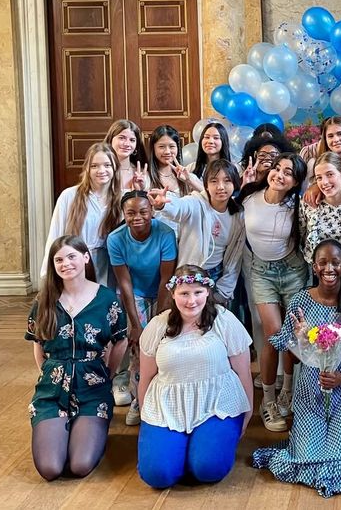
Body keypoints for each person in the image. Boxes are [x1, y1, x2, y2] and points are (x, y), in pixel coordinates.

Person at [253, 240, 341, 497]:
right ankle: (317, 442)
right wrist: (300, 341)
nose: (329, 268)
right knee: (305, 457)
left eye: (335, 263)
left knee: (337, 460)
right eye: (323, 263)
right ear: (314, 267)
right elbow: (294, 359)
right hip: (310, 395)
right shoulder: (300, 303)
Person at [137, 265, 253, 488]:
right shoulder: (157, 326)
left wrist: (247, 414)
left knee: (208, 468)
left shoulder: (224, 320)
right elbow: (146, 377)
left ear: (208, 292)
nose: (191, 301)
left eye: (198, 292)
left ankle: (197, 452)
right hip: (168, 405)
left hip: (217, 403)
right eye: (184, 294)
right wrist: (146, 417)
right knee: (157, 475)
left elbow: (243, 372)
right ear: (173, 294)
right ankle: (179, 454)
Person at [26, 235, 127, 481]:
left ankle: (88, 428)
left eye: (72, 257)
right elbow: (38, 343)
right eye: (59, 260)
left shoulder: (106, 299)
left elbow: (121, 340)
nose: (66, 264)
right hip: (52, 389)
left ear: (86, 258)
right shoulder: (44, 300)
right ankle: (61, 426)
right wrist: (48, 372)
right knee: (50, 469)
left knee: (80, 465)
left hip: (92, 387)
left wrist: (108, 373)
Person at [237, 152, 308, 432]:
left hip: (293, 270)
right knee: (273, 334)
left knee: (292, 334)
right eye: (277, 168)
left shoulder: (298, 204)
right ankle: (267, 401)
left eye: (288, 173)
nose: (280, 175)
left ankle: (287, 391)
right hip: (261, 271)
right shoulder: (249, 197)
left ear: (295, 182)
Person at [108, 190, 177, 426]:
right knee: (138, 348)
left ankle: (163, 398)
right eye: (131, 213)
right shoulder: (116, 239)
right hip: (135, 294)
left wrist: (157, 321)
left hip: (163, 293)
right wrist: (136, 325)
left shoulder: (165, 233)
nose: (137, 217)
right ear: (123, 214)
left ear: (152, 211)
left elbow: (166, 279)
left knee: (162, 344)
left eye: (143, 212)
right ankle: (138, 399)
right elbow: (125, 283)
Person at [149, 159, 245, 304]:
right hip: (190, 272)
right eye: (214, 181)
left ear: (235, 184)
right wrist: (163, 205)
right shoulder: (196, 202)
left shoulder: (238, 214)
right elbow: (179, 208)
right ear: (206, 185)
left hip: (217, 273)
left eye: (227, 181)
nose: (220, 187)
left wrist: (224, 290)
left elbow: (235, 256)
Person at [41, 142, 123, 286]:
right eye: (94, 166)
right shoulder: (69, 196)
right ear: (87, 168)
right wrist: (48, 273)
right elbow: (55, 234)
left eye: (107, 165)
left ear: (115, 167)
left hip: (109, 266)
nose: (101, 170)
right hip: (76, 263)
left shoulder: (122, 198)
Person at [300, 152, 341, 295]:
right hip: (317, 270)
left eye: (330, 174)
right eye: (319, 178)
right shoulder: (309, 204)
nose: (324, 182)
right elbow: (301, 234)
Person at [303, 116, 341, 196]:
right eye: (330, 136)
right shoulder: (315, 166)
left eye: (340, 134)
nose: (336, 139)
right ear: (325, 140)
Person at [147, 125, 192, 201]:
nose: (167, 152)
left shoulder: (186, 174)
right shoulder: (146, 176)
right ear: (153, 148)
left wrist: (189, 180)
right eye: (161, 146)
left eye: (172, 146)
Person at [186, 121, 233, 192]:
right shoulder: (191, 168)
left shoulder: (233, 168)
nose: (210, 141)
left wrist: (192, 182)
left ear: (223, 141)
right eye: (207, 137)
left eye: (216, 138)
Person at [104, 119, 148, 191]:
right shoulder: (101, 171)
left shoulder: (142, 174)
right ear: (110, 139)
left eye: (132, 140)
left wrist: (139, 191)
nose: (127, 144)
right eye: (121, 138)